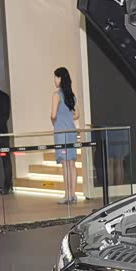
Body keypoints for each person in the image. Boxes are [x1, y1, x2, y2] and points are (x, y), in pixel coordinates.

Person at [51, 67, 80, 204]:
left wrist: (55, 121)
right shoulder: (71, 95)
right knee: (72, 164)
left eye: (56, 77)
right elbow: (77, 114)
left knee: (65, 164)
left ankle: (67, 195)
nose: (54, 80)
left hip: (61, 133)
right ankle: (73, 194)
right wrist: (67, 118)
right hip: (71, 132)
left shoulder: (56, 95)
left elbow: (53, 115)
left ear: (60, 78)